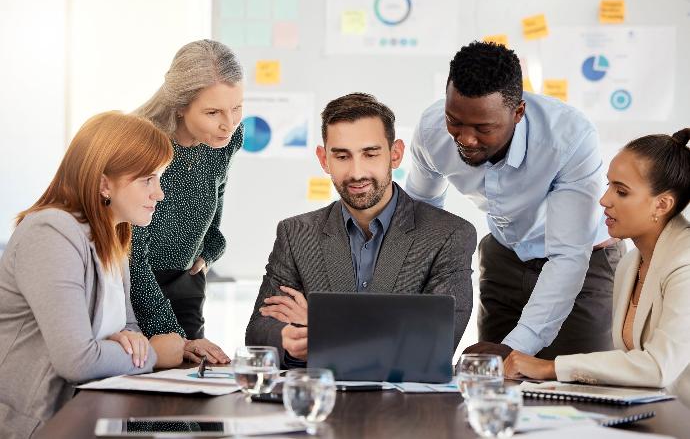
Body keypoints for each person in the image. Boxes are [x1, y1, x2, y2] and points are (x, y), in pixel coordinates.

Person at [406, 41, 624, 360]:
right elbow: (419, 215)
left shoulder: (569, 138)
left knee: (577, 388)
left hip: (584, 263)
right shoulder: (431, 129)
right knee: (493, 386)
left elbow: (567, 254)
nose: (465, 138)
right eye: (455, 120)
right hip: (504, 255)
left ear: (517, 112)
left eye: (483, 128)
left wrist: (517, 346)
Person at [245, 93, 476, 367]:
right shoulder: (295, 233)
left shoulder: (448, 235)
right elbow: (259, 332)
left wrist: (321, 327)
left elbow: (431, 346)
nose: (356, 173)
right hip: (317, 398)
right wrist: (289, 337)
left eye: (370, 154)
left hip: (403, 406)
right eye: (342, 156)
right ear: (323, 159)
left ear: (396, 154)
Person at [0, 112, 185, 438]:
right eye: (148, 180)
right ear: (103, 183)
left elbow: (130, 332)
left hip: (91, 415)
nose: (160, 194)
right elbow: (78, 361)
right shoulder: (51, 232)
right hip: (36, 426)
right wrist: (156, 355)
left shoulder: (112, 239)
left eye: (160, 178)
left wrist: (131, 345)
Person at [505, 130, 690, 391]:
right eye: (609, 185)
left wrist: (551, 367)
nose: (604, 200)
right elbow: (629, 362)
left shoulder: (685, 266)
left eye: (622, 192)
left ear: (662, 205)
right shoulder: (629, 265)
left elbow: (659, 368)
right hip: (650, 411)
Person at [131, 39, 245, 363]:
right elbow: (131, 255)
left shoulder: (228, 137)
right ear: (180, 105)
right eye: (213, 112)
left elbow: (216, 188)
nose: (229, 123)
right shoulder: (143, 141)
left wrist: (210, 248)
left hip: (186, 280)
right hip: (138, 283)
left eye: (237, 107)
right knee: (154, 397)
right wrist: (175, 338)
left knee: (196, 392)